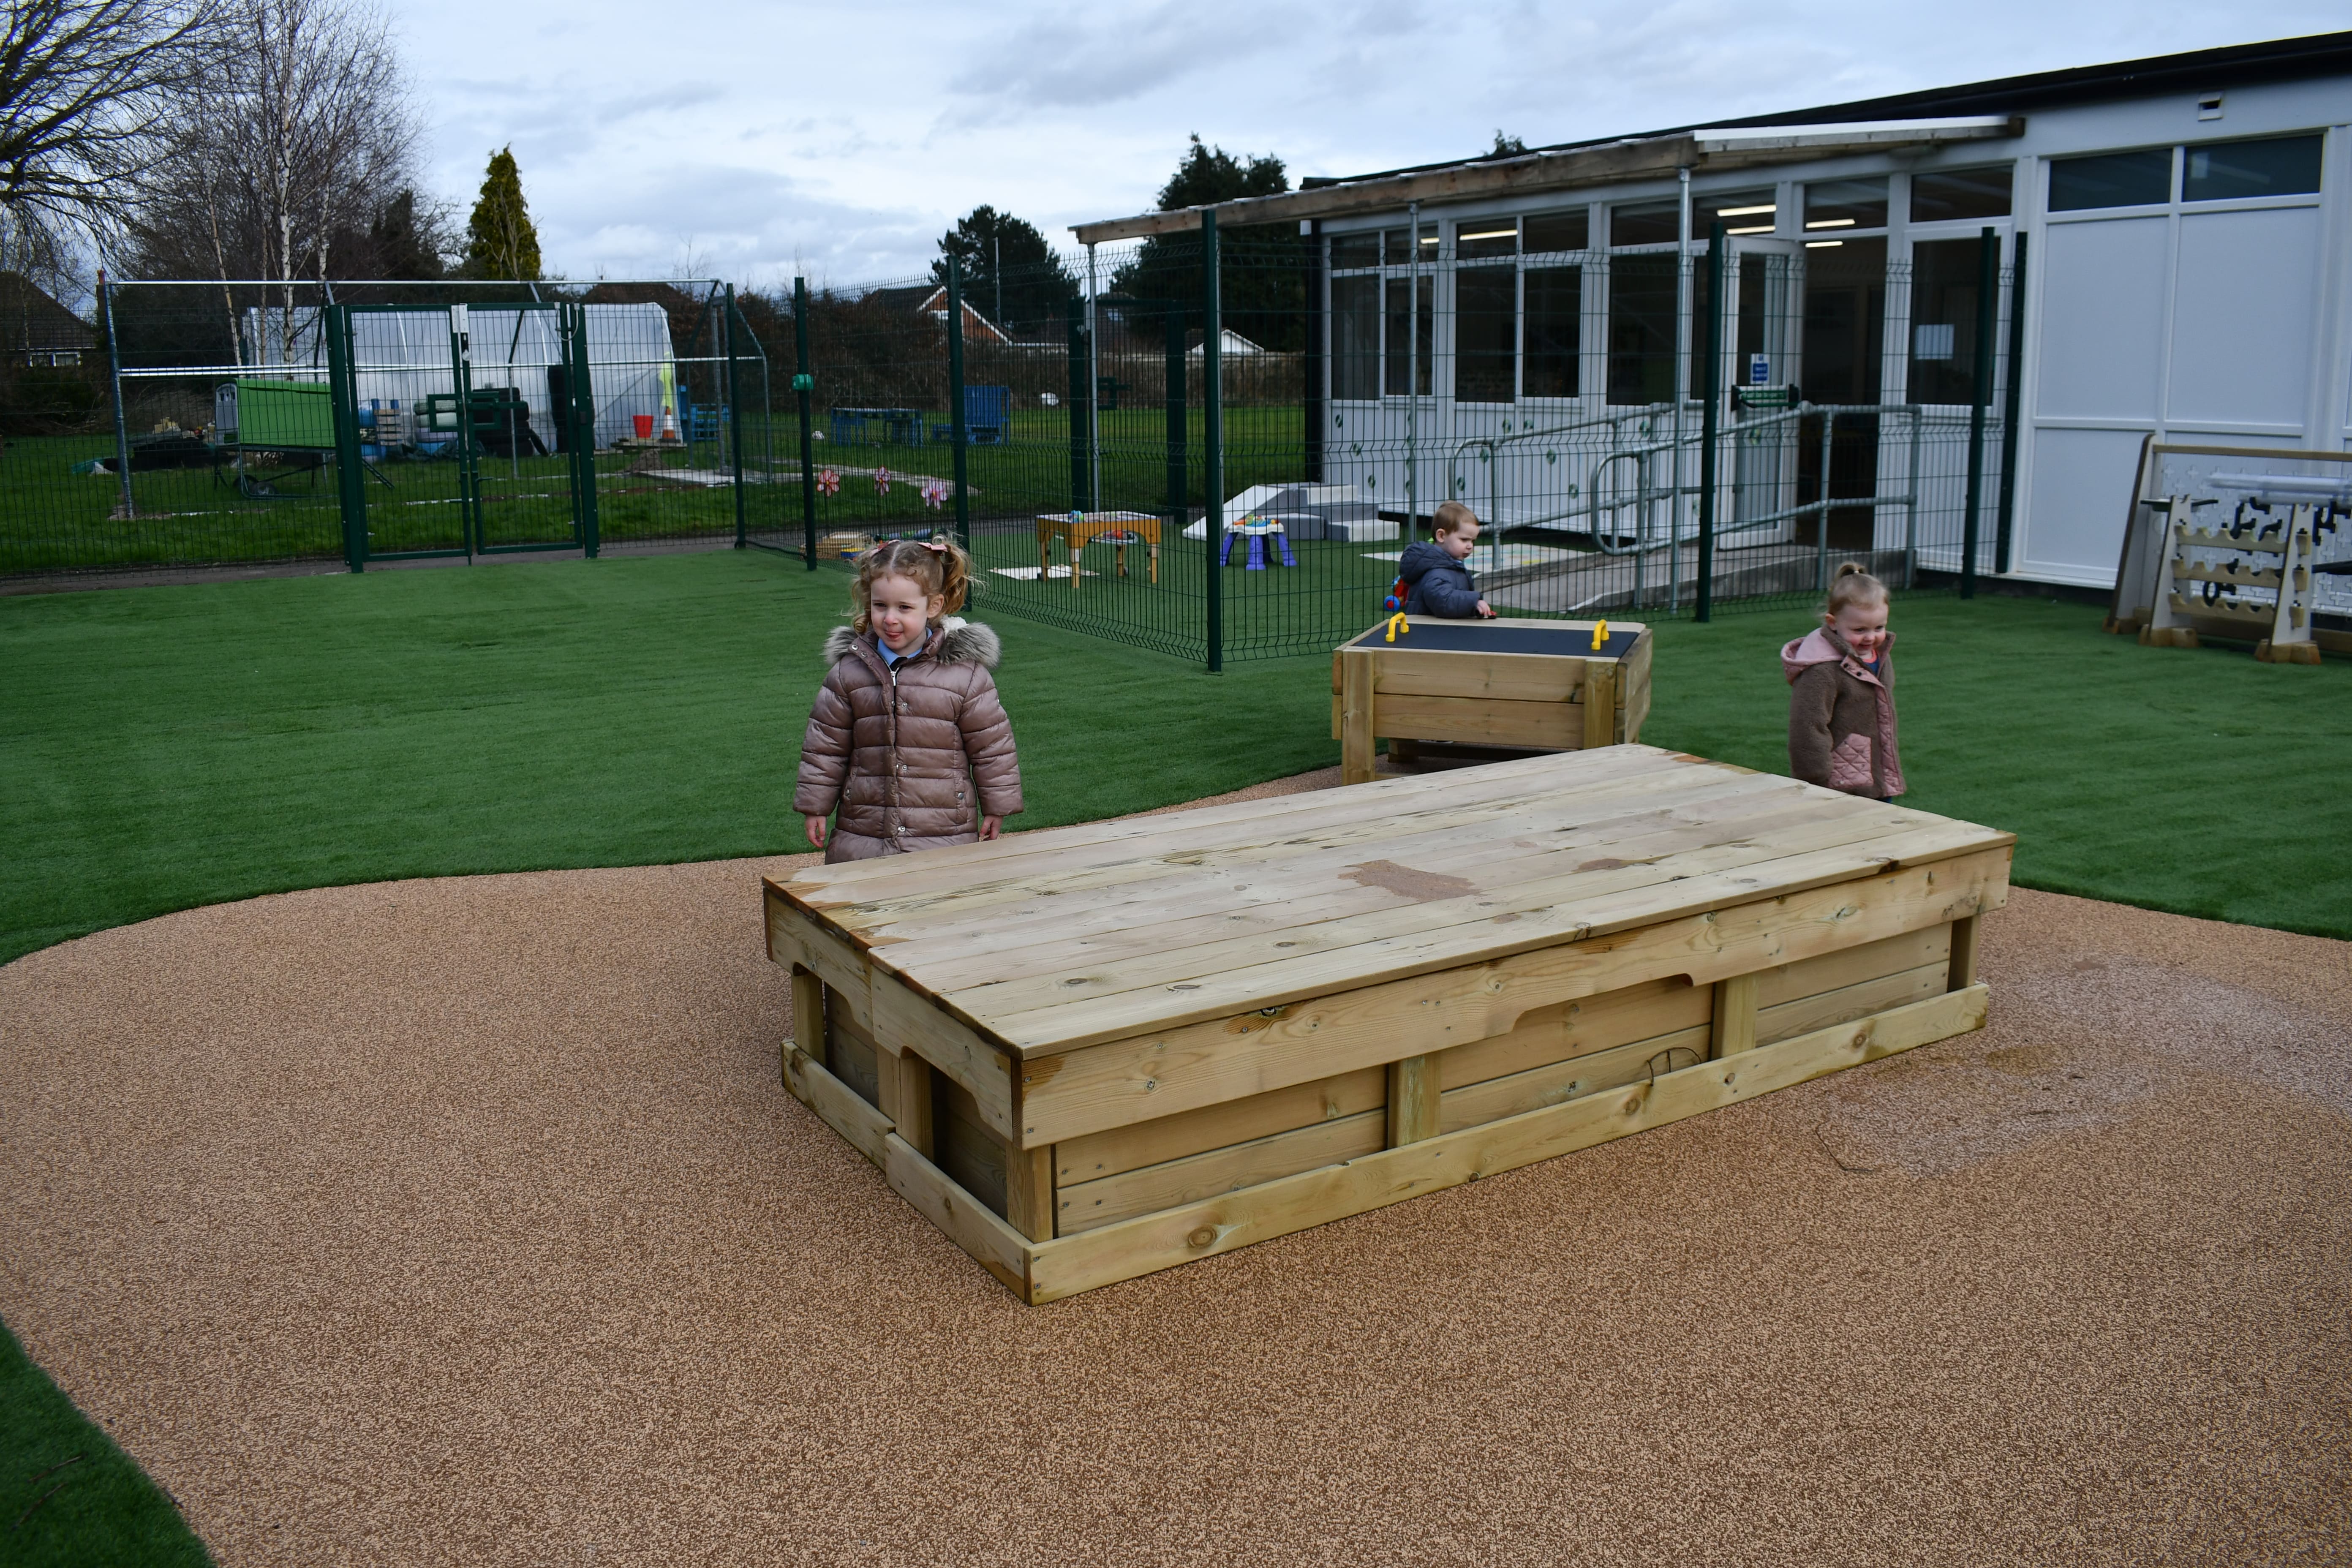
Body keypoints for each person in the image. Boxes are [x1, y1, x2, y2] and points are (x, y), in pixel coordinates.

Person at [795, 536, 1023, 862]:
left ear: (934, 606)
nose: (890, 618)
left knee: (940, 905)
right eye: (880, 606)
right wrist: (815, 805)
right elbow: (825, 746)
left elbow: (992, 747)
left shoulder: (965, 675)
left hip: (944, 831)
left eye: (904, 607)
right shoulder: (850, 672)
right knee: (862, 906)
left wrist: (997, 806)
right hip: (864, 829)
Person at [1783, 562, 1904, 799]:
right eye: (1859, 630)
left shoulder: (1879, 657)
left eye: (1879, 627)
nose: (1871, 637)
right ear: (1833, 623)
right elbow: (1808, 724)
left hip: (1876, 774)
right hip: (1837, 783)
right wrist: (1814, 777)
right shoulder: (1823, 669)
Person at [1397, 501, 1497, 618]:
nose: (1470, 546)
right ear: (1441, 536)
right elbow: (1443, 602)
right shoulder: (1436, 572)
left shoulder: (1449, 565)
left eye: (1473, 541)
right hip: (1427, 633)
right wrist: (1473, 602)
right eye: (1464, 540)